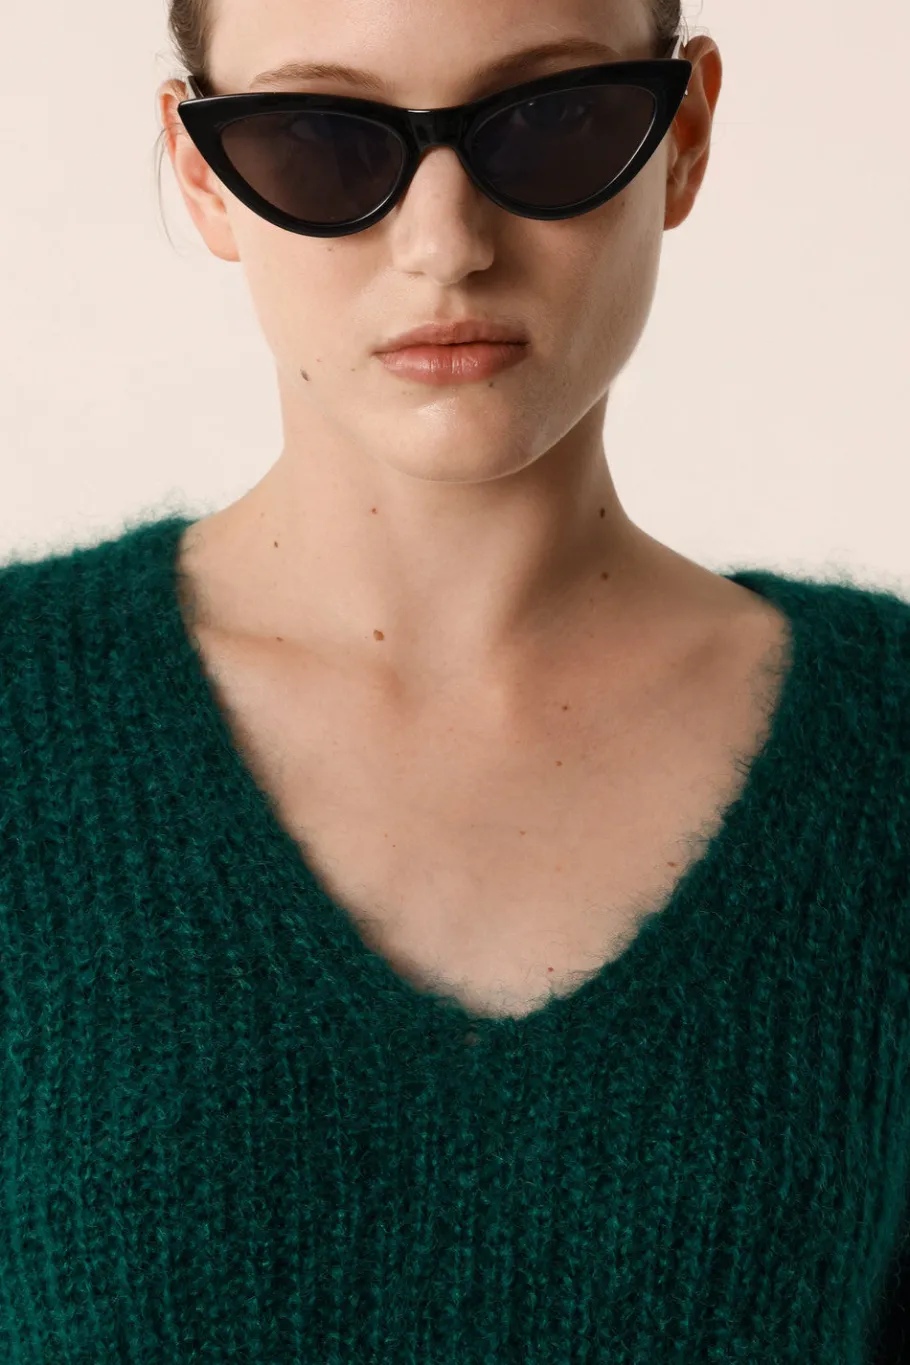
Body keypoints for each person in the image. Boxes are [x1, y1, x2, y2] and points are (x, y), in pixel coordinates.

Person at [1, 0, 909, 1360]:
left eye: (551, 120)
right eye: (319, 138)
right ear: (202, 173)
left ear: (683, 135)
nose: (446, 243)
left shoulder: (886, 757)